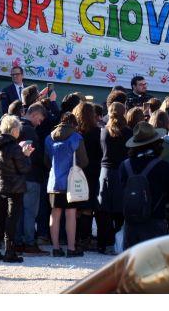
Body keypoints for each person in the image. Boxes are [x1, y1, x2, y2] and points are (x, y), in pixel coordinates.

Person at [120, 122, 169, 249]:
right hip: (155, 221)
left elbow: (122, 192)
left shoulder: (125, 165)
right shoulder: (164, 166)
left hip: (131, 222)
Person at [0, 115, 34, 263]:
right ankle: (9, 252)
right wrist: (26, 155)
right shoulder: (14, 147)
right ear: (14, 130)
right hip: (14, 187)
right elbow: (24, 168)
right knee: (12, 219)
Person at [44, 112, 88, 257]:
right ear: (74, 124)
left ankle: (56, 248)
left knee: (55, 213)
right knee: (70, 214)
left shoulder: (49, 138)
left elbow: (46, 161)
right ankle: (71, 248)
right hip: (70, 181)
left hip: (53, 182)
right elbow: (83, 161)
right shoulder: (76, 137)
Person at [98, 102, 132, 254]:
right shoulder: (128, 132)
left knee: (104, 209)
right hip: (122, 171)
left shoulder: (103, 131)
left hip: (105, 172)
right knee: (120, 210)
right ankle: (120, 242)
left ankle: (105, 243)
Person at [15, 103, 47, 254]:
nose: (39, 123)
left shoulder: (16, 127)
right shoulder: (30, 131)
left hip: (18, 177)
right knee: (29, 212)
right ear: (34, 114)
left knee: (19, 211)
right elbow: (34, 156)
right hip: (32, 176)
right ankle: (29, 242)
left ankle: (18, 241)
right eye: (39, 119)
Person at [73, 102, 103, 252]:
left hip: (76, 172)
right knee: (88, 208)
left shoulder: (75, 132)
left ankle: (76, 238)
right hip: (93, 172)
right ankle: (85, 238)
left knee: (77, 207)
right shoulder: (97, 132)